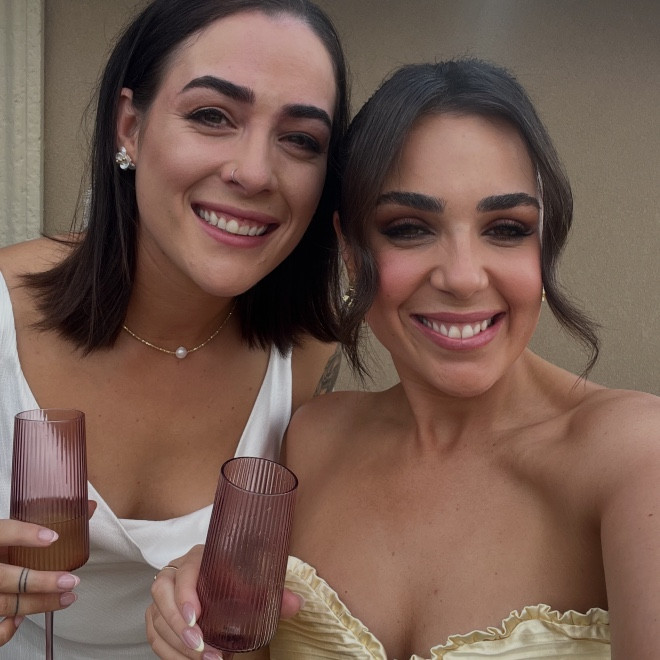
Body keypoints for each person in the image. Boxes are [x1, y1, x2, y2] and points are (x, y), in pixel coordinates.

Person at [147, 58, 660, 659]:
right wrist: (197, 616)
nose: (463, 277)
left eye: (506, 228)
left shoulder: (634, 458)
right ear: (349, 248)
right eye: (410, 228)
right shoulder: (314, 440)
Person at [0, 0, 349, 656]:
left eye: (301, 139)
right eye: (212, 116)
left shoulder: (307, 358)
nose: (254, 171)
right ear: (130, 127)